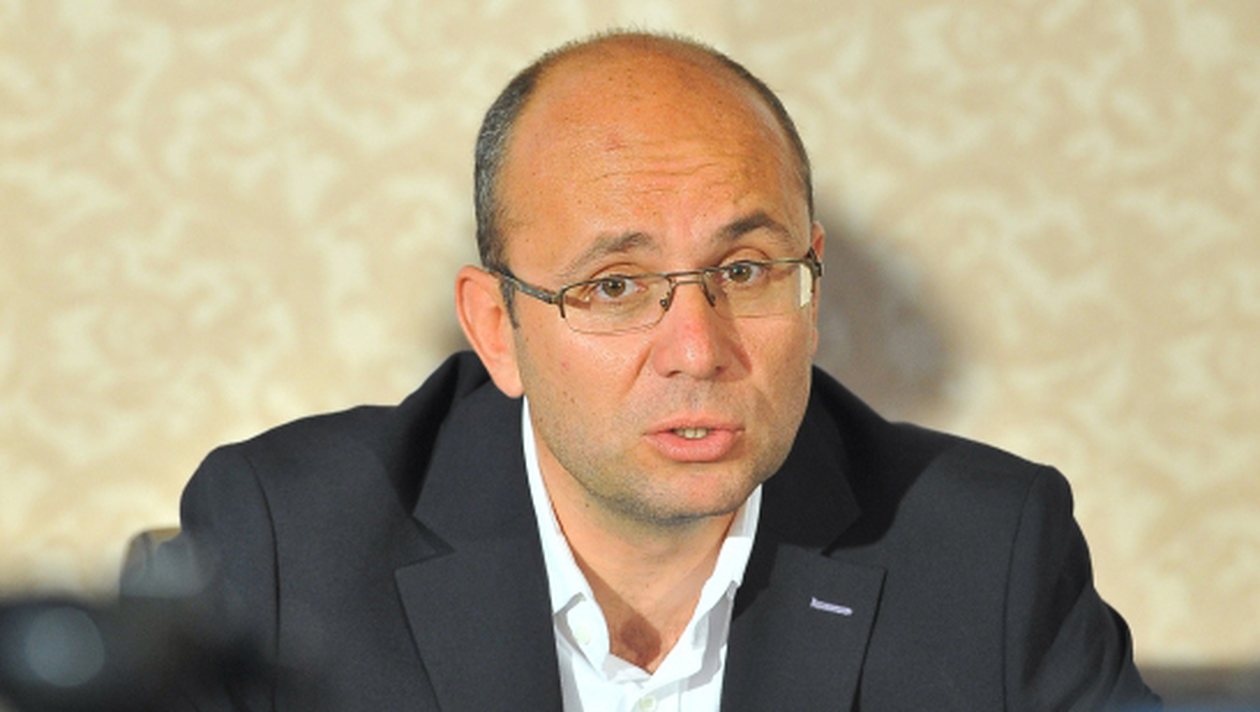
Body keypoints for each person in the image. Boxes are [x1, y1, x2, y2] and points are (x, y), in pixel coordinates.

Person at [125, 31, 1159, 711]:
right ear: (496, 329)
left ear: (812, 283)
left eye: (745, 271)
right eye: (614, 286)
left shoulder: (986, 552)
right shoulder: (286, 544)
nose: (700, 350)